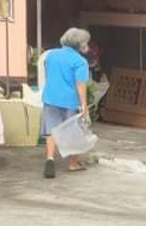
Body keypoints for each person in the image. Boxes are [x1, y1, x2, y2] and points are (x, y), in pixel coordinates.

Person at [41, 28, 91, 179]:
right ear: (81, 44)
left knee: (51, 130)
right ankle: (73, 163)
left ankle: (50, 159)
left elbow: (48, 74)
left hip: (50, 97)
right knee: (72, 130)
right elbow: (80, 84)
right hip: (69, 101)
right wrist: (84, 105)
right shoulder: (80, 61)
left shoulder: (51, 55)